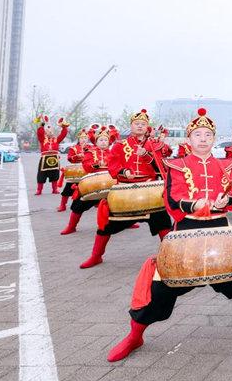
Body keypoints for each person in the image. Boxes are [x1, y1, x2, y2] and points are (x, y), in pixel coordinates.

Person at [106, 108, 232, 363]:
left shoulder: (225, 164)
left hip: (220, 228)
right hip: (187, 232)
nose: (203, 138)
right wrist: (197, 204)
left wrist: (225, 200)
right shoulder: (177, 165)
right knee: (161, 287)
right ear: (189, 139)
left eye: (208, 135)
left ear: (214, 139)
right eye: (198, 134)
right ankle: (135, 336)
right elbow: (172, 199)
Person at [79, 109, 172, 269]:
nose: (140, 126)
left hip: (149, 191)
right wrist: (124, 172)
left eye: (143, 124)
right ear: (131, 126)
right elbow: (112, 164)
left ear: (147, 127)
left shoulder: (153, 145)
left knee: (163, 224)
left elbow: (161, 167)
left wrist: (147, 155)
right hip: (125, 192)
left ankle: (171, 256)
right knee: (106, 225)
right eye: (137, 124)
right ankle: (96, 256)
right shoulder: (119, 145)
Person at [60, 125, 119, 235]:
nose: (103, 142)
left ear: (109, 142)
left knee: (118, 204)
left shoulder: (112, 153)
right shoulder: (90, 152)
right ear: (96, 142)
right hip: (92, 185)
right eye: (101, 140)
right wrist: (97, 165)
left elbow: (117, 166)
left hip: (110, 184)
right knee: (78, 205)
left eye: (105, 140)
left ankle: (127, 223)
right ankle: (71, 226)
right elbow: (86, 166)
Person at [35, 116, 69, 195]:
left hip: (55, 160)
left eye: (51, 131)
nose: (50, 132)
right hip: (44, 160)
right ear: (45, 132)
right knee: (41, 175)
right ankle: (39, 190)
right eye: (48, 130)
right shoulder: (42, 139)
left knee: (55, 174)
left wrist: (63, 127)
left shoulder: (56, 140)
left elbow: (63, 134)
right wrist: (42, 125)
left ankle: (55, 189)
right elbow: (39, 133)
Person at [58, 128, 89, 211]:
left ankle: (94, 203)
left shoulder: (91, 148)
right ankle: (63, 205)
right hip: (76, 171)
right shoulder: (74, 148)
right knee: (68, 189)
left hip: (87, 170)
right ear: (79, 139)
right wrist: (76, 156)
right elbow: (69, 158)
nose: (84, 140)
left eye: (85, 138)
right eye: (82, 138)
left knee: (89, 188)